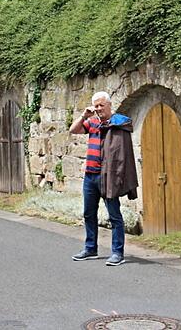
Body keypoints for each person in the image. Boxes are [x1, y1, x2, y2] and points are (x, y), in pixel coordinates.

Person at [69, 91, 138, 266]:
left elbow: (122, 154)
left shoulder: (118, 123)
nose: (99, 108)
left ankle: (117, 253)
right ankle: (90, 248)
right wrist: (84, 115)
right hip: (90, 177)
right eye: (96, 105)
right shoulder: (92, 122)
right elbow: (73, 130)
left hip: (108, 177)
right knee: (88, 213)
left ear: (109, 105)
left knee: (114, 215)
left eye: (102, 105)